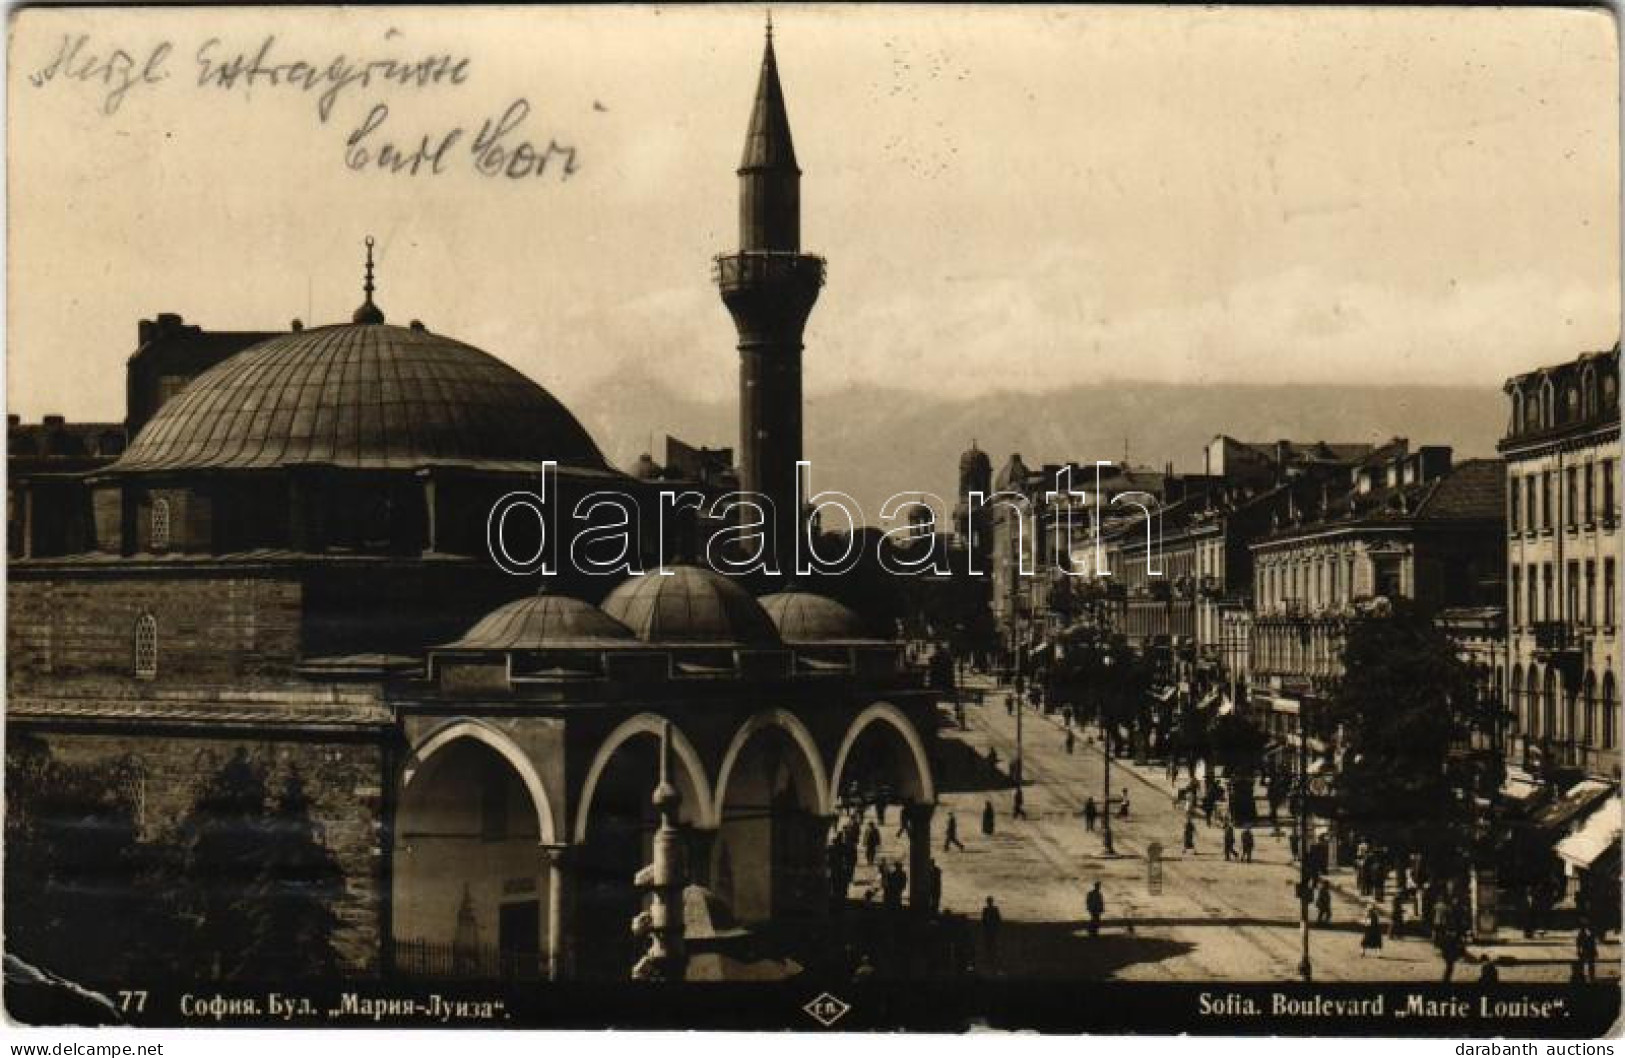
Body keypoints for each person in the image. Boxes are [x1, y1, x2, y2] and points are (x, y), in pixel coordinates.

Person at [981, 896, 1003, 971]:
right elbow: (998, 919)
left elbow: (998, 919)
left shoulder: (990, 909)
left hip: (991, 929)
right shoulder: (989, 909)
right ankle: (991, 956)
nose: (989, 902)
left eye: (989, 901)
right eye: (989, 901)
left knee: (991, 943)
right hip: (990, 929)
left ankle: (991, 956)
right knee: (990, 943)